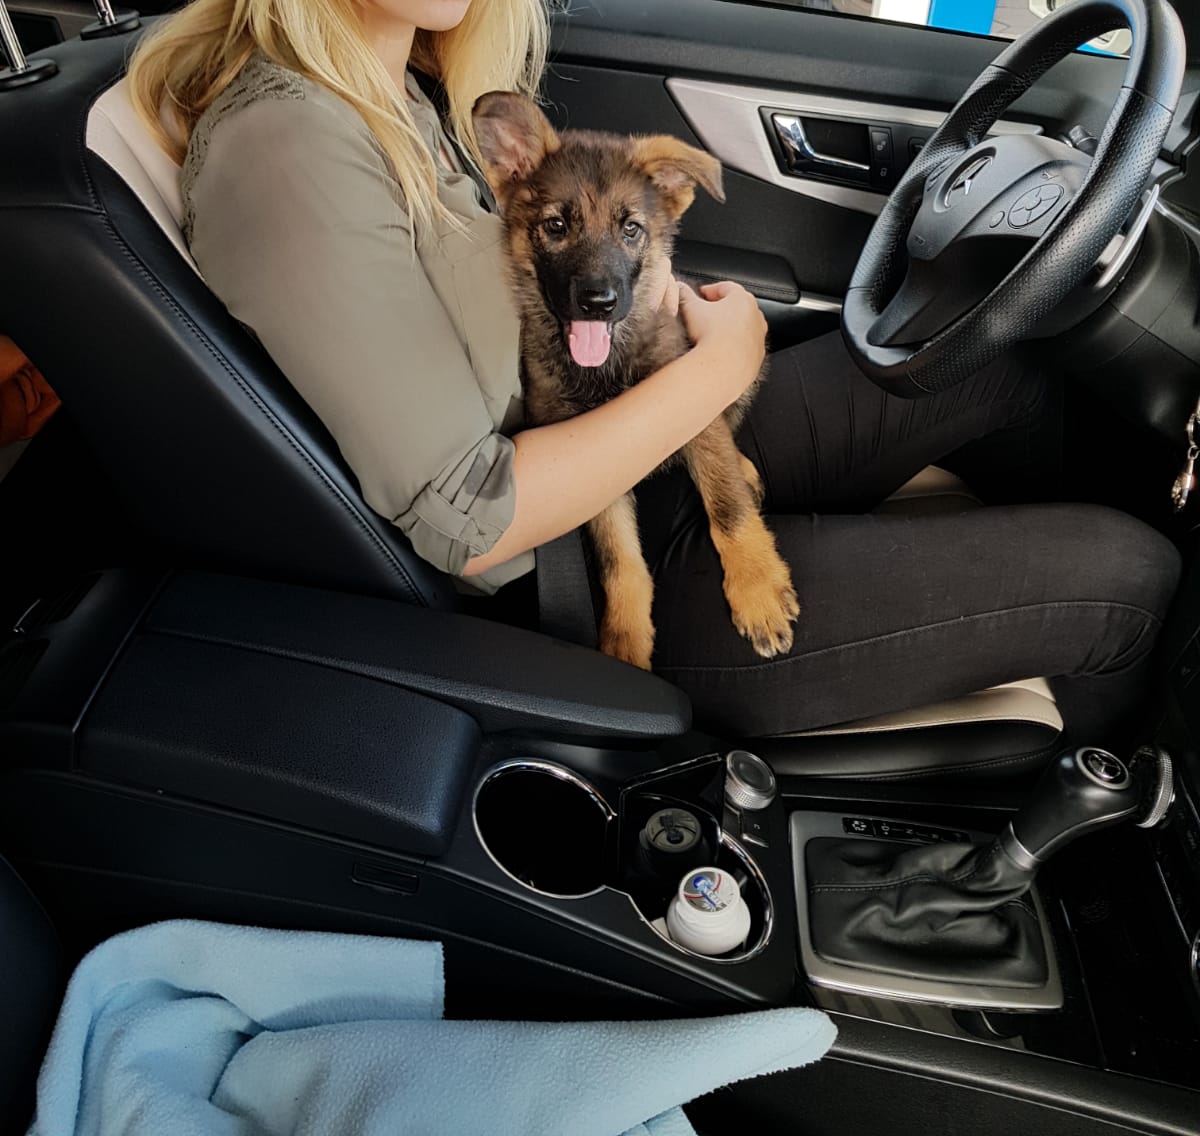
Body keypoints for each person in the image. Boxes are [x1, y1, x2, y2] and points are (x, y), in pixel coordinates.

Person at [128, 0, 1179, 746]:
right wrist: (722, 366)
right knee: (1133, 581)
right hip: (566, 568)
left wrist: (675, 315)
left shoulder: (402, 92)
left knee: (1000, 369)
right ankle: (1108, 860)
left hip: (631, 429)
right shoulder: (287, 142)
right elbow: (468, 518)